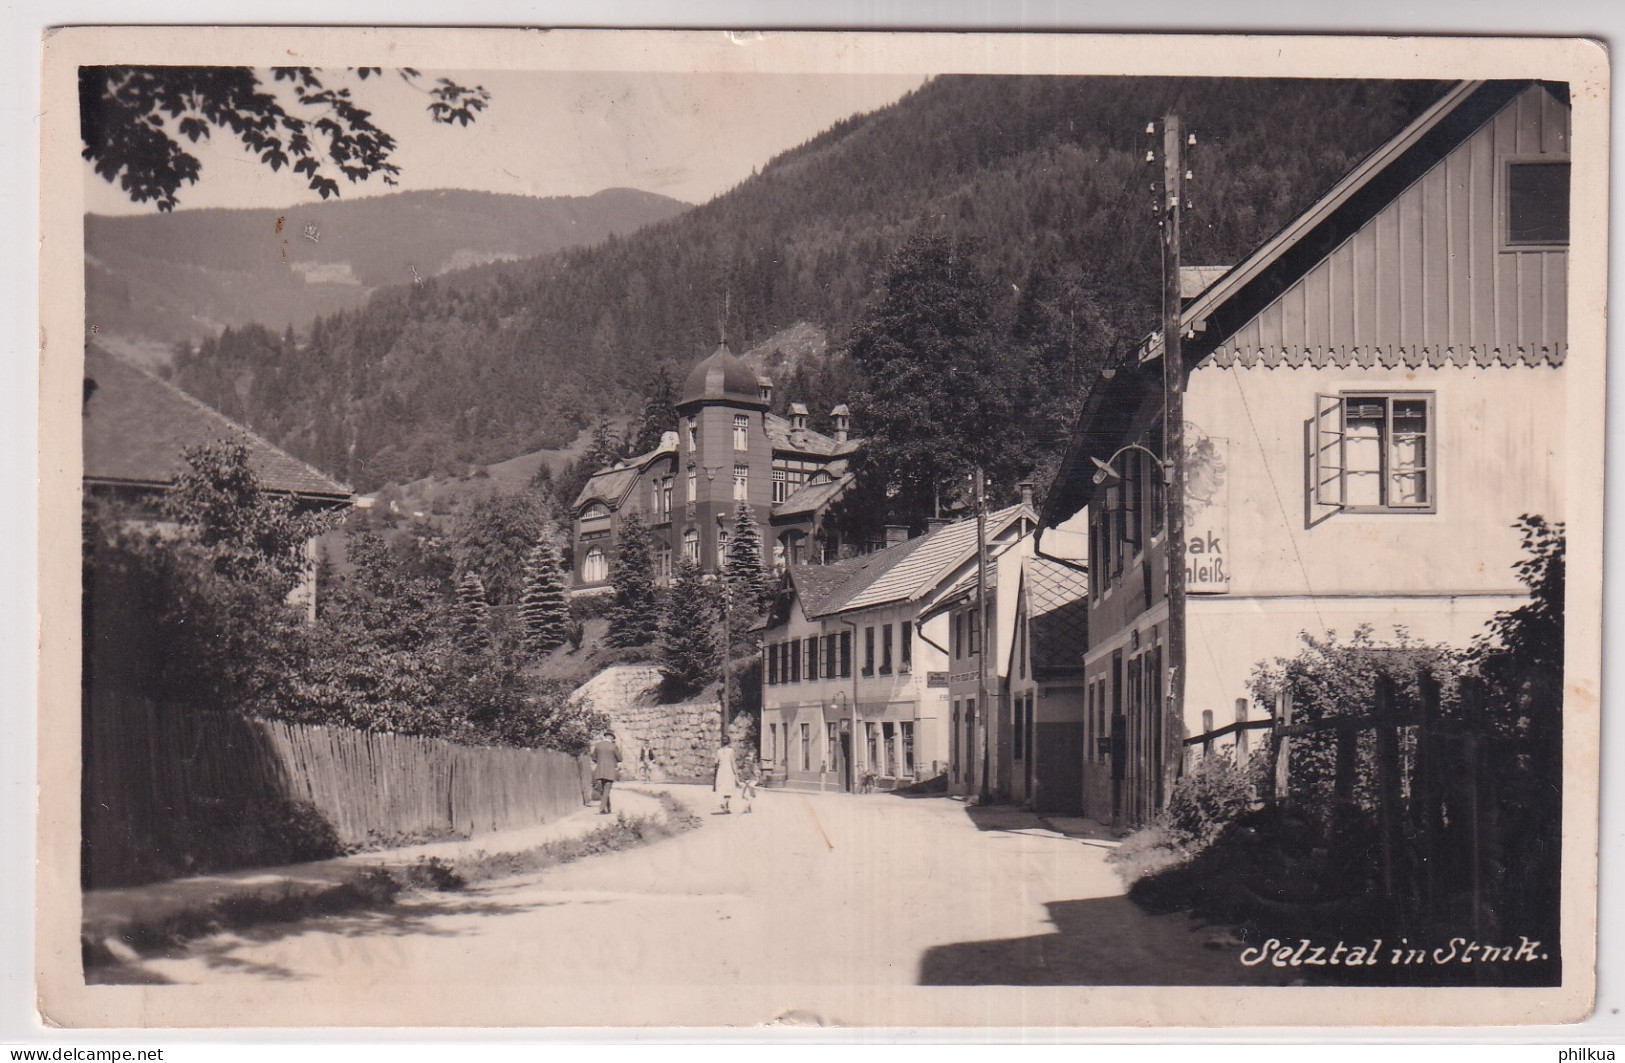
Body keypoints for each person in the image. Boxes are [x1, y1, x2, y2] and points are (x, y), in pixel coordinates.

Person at [590, 730, 622, 814]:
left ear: (605, 736)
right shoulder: (614, 746)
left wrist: (600, 761)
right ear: (611, 737)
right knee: (607, 790)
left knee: (603, 790)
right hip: (610, 771)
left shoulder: (598, 745)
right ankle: (602, 809)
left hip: (599, 771)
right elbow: (620, 759)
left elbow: (593, 758)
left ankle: (608, 808)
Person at [713, 738, 739, 814]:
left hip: (721, 770)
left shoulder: (718, 751)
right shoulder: (731, 751)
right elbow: (733, 762)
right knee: (729, 787)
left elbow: (716, 762)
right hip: (728, 770)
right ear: (729, 742)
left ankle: (726, 805)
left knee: (723, 788)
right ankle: (726, 804)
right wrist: (736, 773)